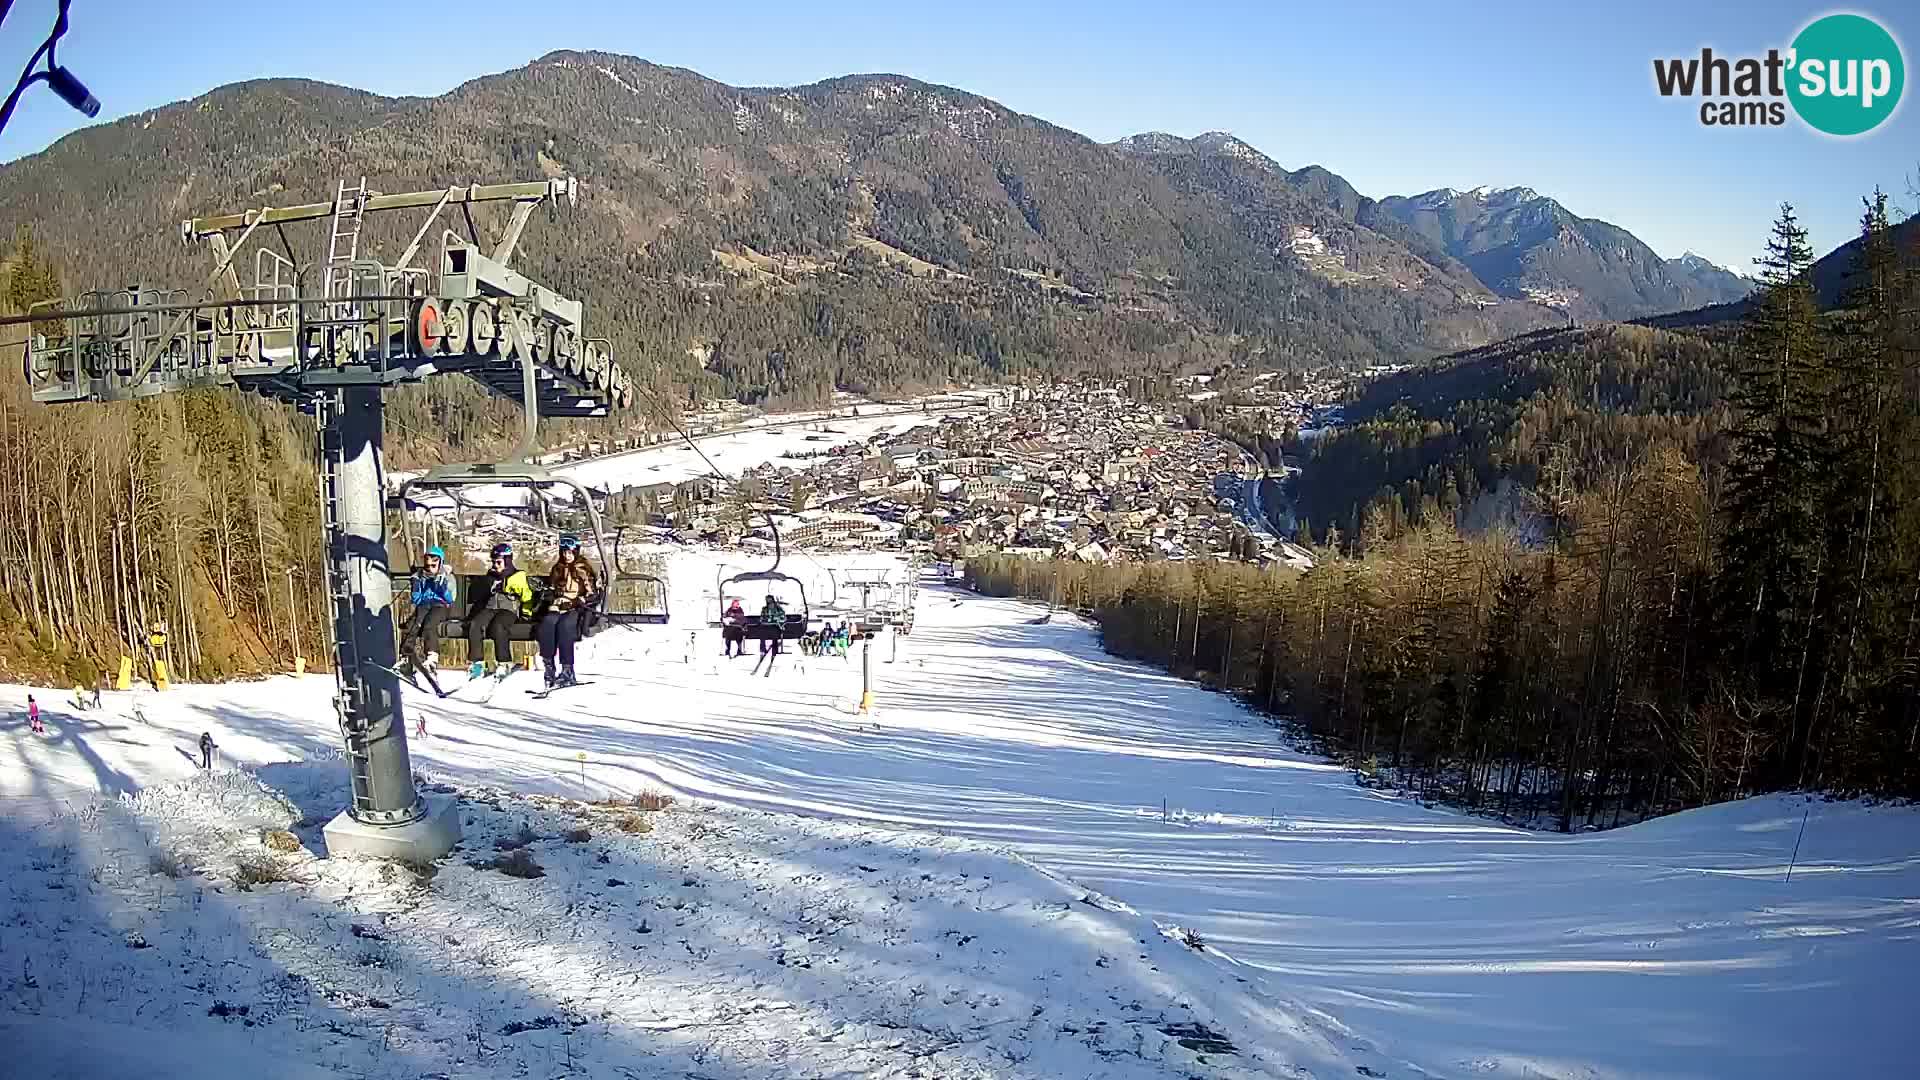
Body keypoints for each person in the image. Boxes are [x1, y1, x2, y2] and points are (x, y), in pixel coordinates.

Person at [536, 535, 597, 688]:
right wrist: (549, 594)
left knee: (565, 626)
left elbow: (592, 593)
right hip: (558, 605)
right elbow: (552, 588)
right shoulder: (558, 568)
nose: (566, 556)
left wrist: (579, 601)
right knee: (547, 625)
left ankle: (567, 669)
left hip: (575, 607)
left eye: (570, 553)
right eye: (564, 553)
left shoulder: (583, 569)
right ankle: (549, 666)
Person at [467, 543, 534, 677]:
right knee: (475, 625)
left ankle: (504, 662)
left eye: (498, 562)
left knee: (498, 627)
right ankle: (477, 663)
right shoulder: (491, 576)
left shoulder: (517, 576)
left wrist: (526, 612)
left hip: (508, 609)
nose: (495, 565)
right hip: (491, 607)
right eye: (493, 562)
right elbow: (480, 595)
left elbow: (527, 596)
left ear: (507, 561)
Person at [401, 546, 455, 669]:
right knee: (413, 623)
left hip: (440, 606)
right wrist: (416, 587)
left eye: (433, 566)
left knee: (429, 624)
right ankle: (405, 656)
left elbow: (450, 599)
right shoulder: (420, 577)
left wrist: (442, 588)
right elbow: (416, 600)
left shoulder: (447, 577)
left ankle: (432, 656)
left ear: (440, 564)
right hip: (424, 605)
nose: (430, 569)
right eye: (427, 566)